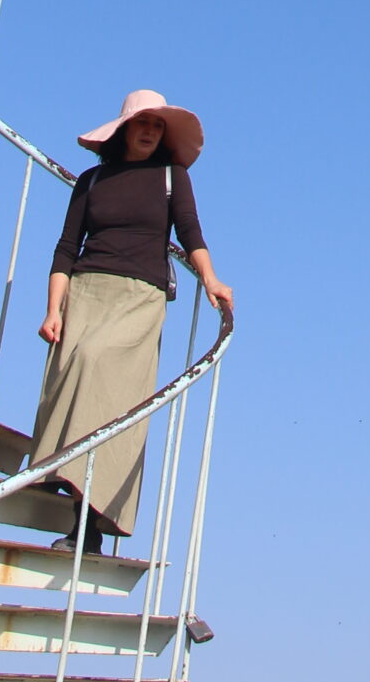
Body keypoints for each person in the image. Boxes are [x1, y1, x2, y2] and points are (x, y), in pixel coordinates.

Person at [32, 89, 232, 554]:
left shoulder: (172, 177)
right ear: (124, 129)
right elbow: (66, 248)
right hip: (85, 291)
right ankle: (69, 501)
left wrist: (211, 279)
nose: (150, 131)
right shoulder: (92, 180)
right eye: (143, 122)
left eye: (158, 125)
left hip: (139, 299)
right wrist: (53, 309)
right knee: (71, 378)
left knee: (104, 385)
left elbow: (190, 231)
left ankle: (92, 523)